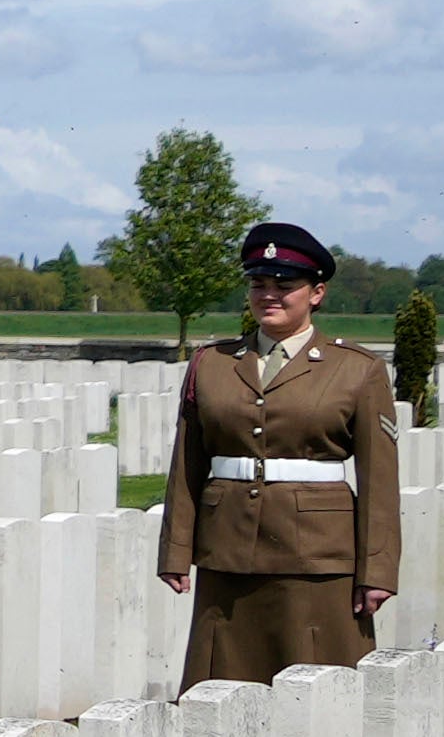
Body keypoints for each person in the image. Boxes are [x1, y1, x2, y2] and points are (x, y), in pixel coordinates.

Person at [155, 220, 405, 684]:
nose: (268, 294)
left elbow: (379, 480)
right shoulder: (212, 365)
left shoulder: (356, 369)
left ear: (316, 293)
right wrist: (175, 551)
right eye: (258, 283)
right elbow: (187, 463)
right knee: (222, 683)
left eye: (284, 285)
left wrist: (378, 570)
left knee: (318, 689)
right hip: (227, 551)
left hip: (315, 556)